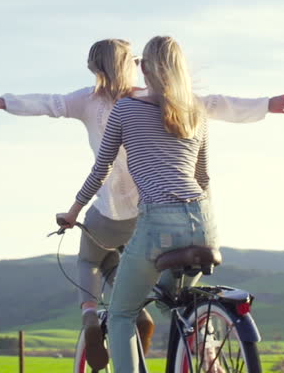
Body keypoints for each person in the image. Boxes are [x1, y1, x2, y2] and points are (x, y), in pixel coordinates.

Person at [0, 39, 284, 368]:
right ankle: (206, 344)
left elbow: (80, 143)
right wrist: (264, 105)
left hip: (141, 216)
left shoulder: (114, 106)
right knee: (173, 297)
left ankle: (91, 313)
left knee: (108, 288)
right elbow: (206, 159)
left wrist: (4, 102)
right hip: (202, 221)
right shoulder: (189, 107)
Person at [59, 35, 229, 373]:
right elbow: (203, 177)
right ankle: (207, 352)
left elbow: (102, 169)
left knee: (122, 314)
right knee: (173, 300)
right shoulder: (197, 111)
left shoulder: (125, 109)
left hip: (158, 222)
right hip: (205, 223)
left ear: (147, 68)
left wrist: (73, 212)